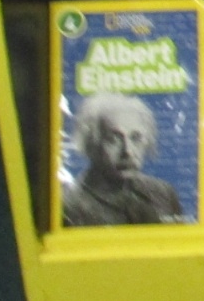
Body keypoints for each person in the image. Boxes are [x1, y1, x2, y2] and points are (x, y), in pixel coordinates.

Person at [62, 93, 185, 226]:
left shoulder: (164, 193)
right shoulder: (68, 206)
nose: (128, 151)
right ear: (92, 144)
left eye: (136, 138)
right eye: (113, 139)